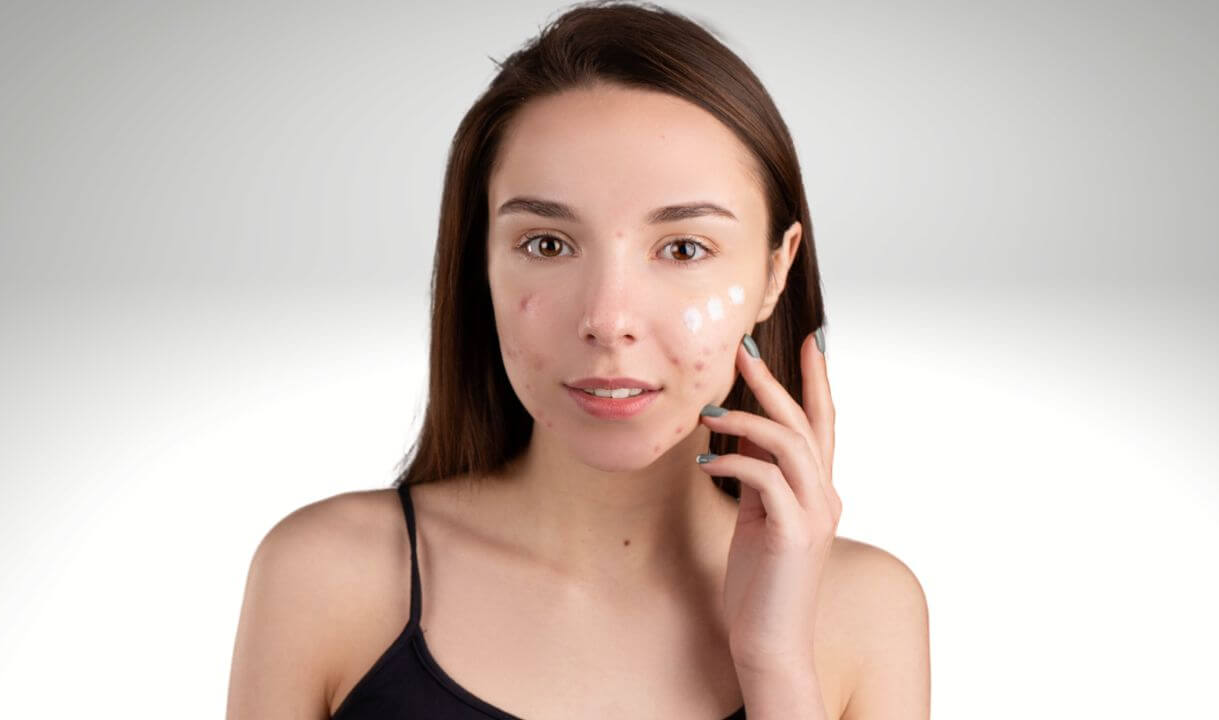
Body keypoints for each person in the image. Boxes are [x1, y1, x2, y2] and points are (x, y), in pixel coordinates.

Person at [226, 2, 929, 718]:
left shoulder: (865, 611)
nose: (608, 319)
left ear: (776, 273)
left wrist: (775, 663)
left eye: (684, 249)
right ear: (482, 265)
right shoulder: (328, 576)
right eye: (547, 245)